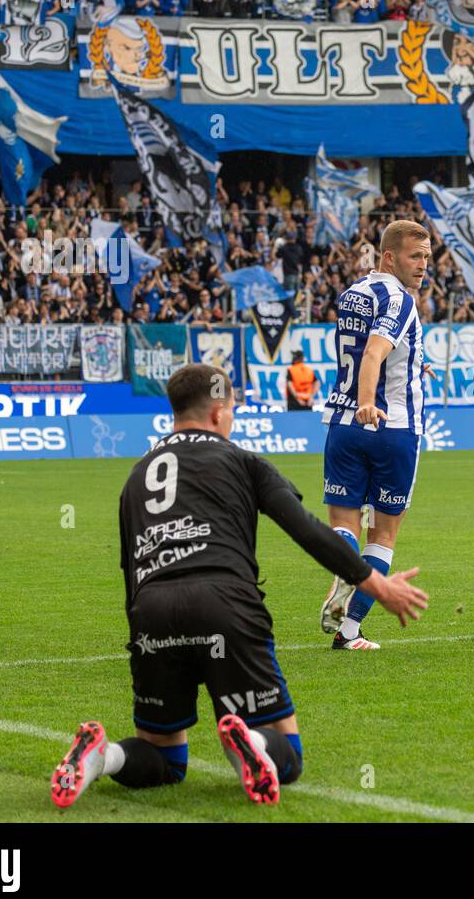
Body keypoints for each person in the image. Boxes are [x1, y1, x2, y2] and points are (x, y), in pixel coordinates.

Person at [50, 364, 428, 808]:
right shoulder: (243, 461)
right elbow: (308, 530)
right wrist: (377, 587)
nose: (232, 419)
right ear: (216, 413)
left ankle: (102, 756)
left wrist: (144, 635)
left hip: (151, 609)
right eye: (231, 410)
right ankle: (251, 743)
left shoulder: (137, 474)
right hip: (225, 605)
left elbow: (129, 567)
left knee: (163, 756)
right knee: (289, 756)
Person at [318, 220, 431, 651]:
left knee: (343, 525)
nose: (422, 266)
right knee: (382, 535)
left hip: (341, 427)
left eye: (426, 257)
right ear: (388, 257)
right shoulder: (401, 299)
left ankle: (341, 583)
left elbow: (375, 348)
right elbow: (375, 352)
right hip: (391, 426)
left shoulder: (353, 294)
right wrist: (369, 402)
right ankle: (349, 629)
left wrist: (418, 363)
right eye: (414, 257)